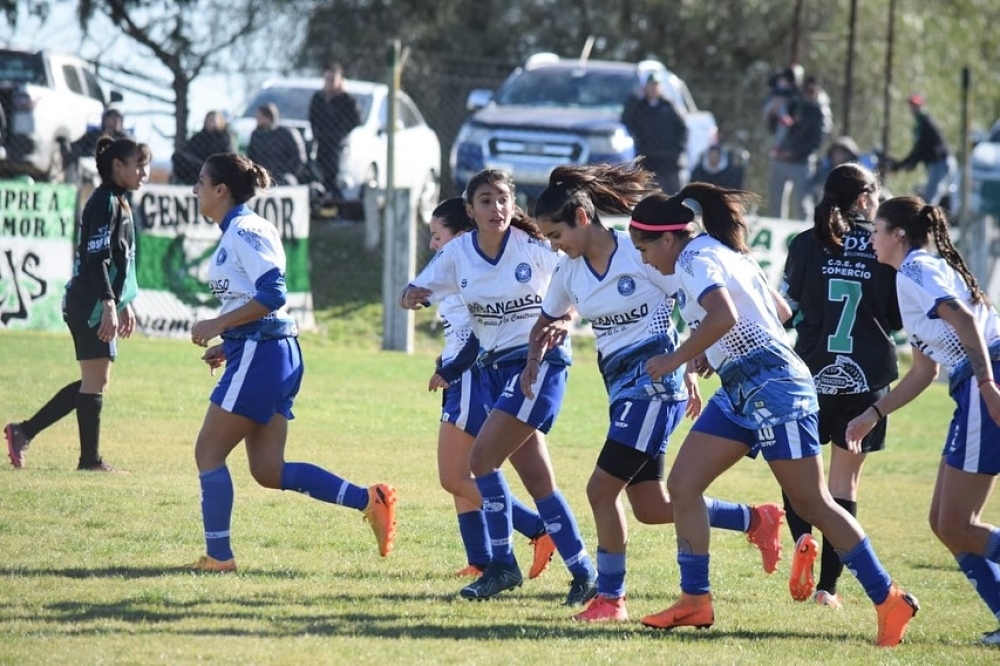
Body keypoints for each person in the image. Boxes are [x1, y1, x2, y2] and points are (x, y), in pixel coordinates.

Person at [626, 182, 918, 647]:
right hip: (742, 385)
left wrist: (678, 356)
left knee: (813, 503)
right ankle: (694, 600)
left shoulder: (695, 259)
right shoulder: (718, 252)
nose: (644, 259)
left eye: (644, 248)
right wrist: (713, 349)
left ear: (667, 238)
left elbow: (724, 315)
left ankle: (890, 598)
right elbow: (776, 310)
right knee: (682, 485)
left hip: (776, 386)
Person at [523, 162, 785, 623]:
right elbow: (546, 319)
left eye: (555, 233)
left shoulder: (637, 253)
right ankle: (756, 520)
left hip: (653, 390)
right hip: (622, 393)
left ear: (582, 219)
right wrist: (534, 359)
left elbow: (692, 303)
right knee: (651, 506)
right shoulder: (569, 273)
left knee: (600, 491)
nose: (552, 244)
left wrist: (687, 361)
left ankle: (611, 598)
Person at [185, 152, 396, 572]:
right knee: (268, 470)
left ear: (221, 190)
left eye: (201, 182)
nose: (196, 190)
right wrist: (230, 343)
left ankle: (219, 557)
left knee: (208, 451)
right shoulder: (238, 231)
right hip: (263, 353)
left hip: (265, 356)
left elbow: (274, 294)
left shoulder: (244, 230)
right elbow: (258, 302)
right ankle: (369, 499)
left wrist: (217, 324)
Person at [399, 169, 599, 605]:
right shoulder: (458, 255)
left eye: (504, 199)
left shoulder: (535, 248)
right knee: (537, 478)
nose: (497, 208)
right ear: (470, 211)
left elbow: (574, 286)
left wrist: (564, 320)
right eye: (486, 201)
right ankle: (585, 572)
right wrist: (412, 294)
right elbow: (415, 290)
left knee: (482, 459)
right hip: (493, 371)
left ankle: (502, 566)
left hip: (538, 365)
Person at [846, 197, 1000, 647]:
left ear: (898, 235)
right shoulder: (907, 276)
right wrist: (873, 413)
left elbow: (965, 318)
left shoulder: (917, 269)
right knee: (943, 522)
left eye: (876, 230)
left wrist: (987, 384)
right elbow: (923, 371)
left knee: (957, 523)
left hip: (982, 376)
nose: (871, 238)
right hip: (971, 381)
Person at [780, 163, 903, 610]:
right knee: (843, 485)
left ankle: (801, 542)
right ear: (864, 199)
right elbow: (896, 318)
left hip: (808, 374)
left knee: (797, 474)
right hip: (865, 379)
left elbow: (785, 308)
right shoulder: (882, 243)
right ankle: (827, 589)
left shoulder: (805, 242)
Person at [424, 197, 557, 580]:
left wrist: (451, 367)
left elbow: (478, 336)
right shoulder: (456, 269)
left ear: (463, 234)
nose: (434, 245)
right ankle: (481, 559)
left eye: (437, 236)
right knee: (460, 476)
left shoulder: (474, 270)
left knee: (455, 476)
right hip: (465, 375)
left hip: (468, 378)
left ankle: (536, 528)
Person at [5, 137, 151, 471]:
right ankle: (85, 459)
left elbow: (120, 260)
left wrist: (123, 302)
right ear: (118, 167)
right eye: (139, 165)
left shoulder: (119, 201)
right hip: (90, 303)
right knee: (94, 381)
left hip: (100, 301)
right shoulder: (104, 202)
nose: (144, 172)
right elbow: (96, 258)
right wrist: (110, 304)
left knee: (96, 381)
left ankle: (26, 433)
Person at [767, 75, 832, 220]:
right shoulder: (794, 103)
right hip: (781, 159)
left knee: (802, 204)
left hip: (802, 163)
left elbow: (816, 141)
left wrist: (793, 153)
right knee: (775, 202)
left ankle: (805, 234)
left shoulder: (820, 111)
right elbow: (778, 128)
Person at [622, 72, 688, 194]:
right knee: (647, 192)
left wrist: (679, 149)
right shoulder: (639, 107)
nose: (653, 89)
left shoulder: (669, 106)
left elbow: (683, 128)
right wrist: (634, 98)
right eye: (650, 85)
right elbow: (626, 119)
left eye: (656, 85)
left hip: (668, 158)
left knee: (673, 193)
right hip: (648, 157)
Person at [308, 63, 361, 202]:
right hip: (322, 141)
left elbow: (355, 120)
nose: (329, 82)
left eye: (333, 79)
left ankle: (337, 202)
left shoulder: (347, 99)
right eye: (327, 78)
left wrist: (340, 132)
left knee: (334, 171)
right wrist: (317, 134)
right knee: (320, 171)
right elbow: (313, 118)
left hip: (338, 142)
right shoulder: (319, 98)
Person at [889, 95, 952, 205]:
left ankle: (931, 220)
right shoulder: (920, 123)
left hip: (940, 162)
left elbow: (920, 148)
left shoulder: (925, 122)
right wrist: (907, 163)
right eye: (912, 106)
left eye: (916, 106)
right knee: (930, 194)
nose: (913, 108)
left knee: (931, 197)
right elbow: (919, 149)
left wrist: (908, 163)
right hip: (935, 163)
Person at [247, 103, 307, 186]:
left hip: (284, 175)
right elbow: (251, 157)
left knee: (287, 181)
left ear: (268, 118)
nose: (257, 119)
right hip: (262, 174)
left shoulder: (286, 133)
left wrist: (283, 171)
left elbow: (298, 158)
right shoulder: (256, 135)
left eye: (260, 116)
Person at [171, 111, 237, 185]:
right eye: (210, 120)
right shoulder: (198, 137)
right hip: (200, 167)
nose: (212, 122)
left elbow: (230, 156)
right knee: (177, 157)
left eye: (214, 120)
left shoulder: (226, 137)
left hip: (217, 169)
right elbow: (187, 153)